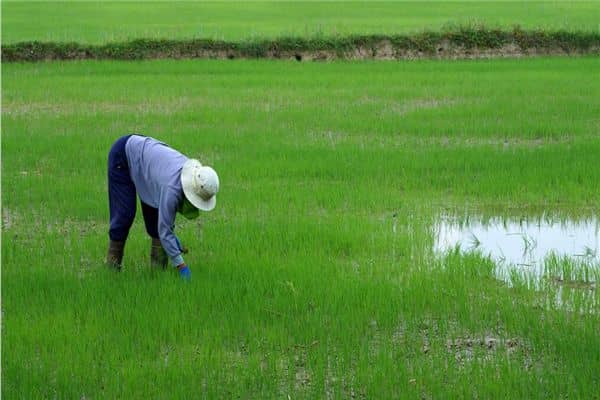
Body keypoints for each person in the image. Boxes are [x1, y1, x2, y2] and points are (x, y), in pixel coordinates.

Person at [106, 134, 219, 280]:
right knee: (124, 215)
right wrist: (181, 266)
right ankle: (111, 271)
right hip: (123, 156)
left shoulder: (190, 176)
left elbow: (164, 225)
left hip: (149, 167)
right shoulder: (172, 189)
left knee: (156, 222)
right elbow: (165, 230)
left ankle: (158, 274)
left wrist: (172, 240)